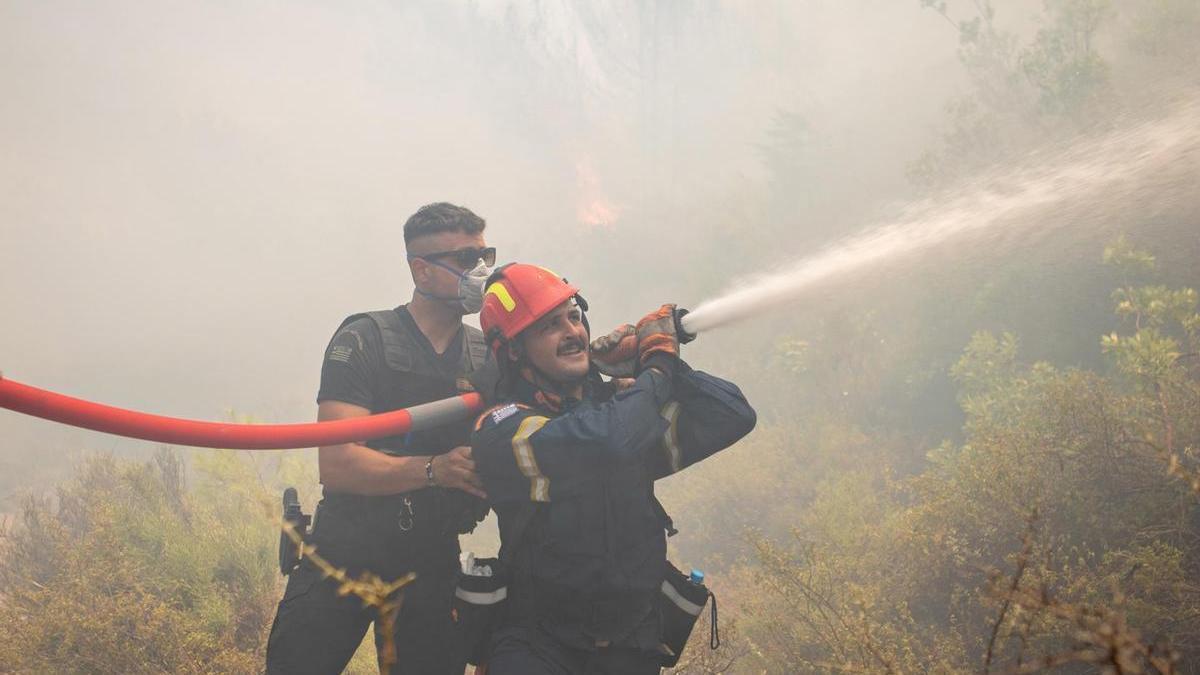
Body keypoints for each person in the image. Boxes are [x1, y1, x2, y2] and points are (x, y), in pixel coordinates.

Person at [470, 263, 757, 674]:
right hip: (538, 646)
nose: (572, 332)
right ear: (513, 350)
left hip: (631, 645)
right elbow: (606, 443)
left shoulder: (618, 410)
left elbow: (731, 414)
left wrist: (656, 368)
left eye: (574, 317)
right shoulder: (502, 427)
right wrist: (657, 365)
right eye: (550, 325)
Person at [266, 202, 496, 675]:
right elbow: (338, 464)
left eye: (485, 255)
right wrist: (435, 470)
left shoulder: (489, 354)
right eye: (465, 260)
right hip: (344, 554)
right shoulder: (364, 339)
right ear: (421, 270)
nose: (481, 271)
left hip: (432, 562)